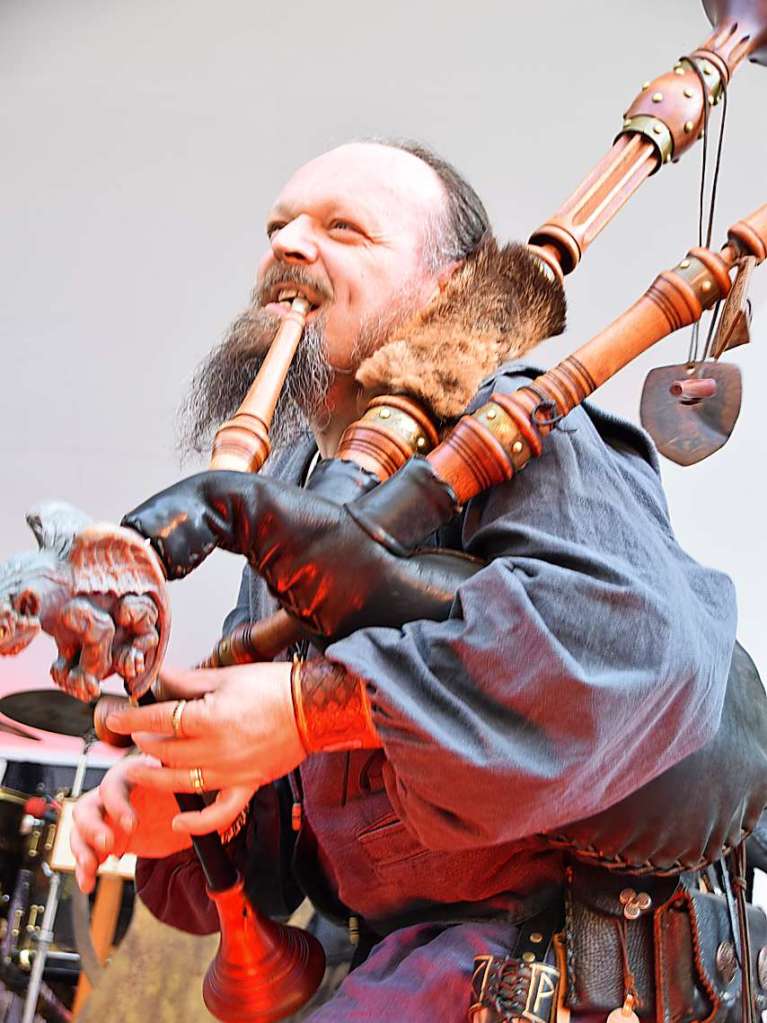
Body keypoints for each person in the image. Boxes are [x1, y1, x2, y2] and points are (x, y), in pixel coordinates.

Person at [69, 140, 746, 1021]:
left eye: (343, 228)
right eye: (278, 227)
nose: (291, 245)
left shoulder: (520, 417)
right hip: (402, 965)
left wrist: (313, 707)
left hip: (563, 971)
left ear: (447, 287)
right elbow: (307, 838)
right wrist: (187, 812)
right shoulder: (294, 483)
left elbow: (631, 646)